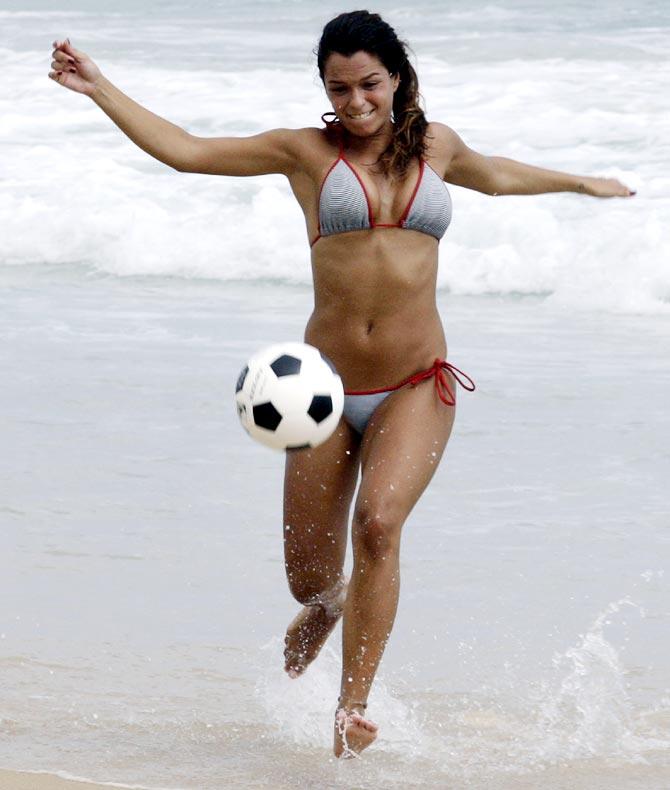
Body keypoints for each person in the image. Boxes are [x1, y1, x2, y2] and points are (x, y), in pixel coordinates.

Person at [49, 10, 634, 759]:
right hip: (319, 393)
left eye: (369, 85)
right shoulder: (303, 152)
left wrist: (582, 182)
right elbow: (189, 153)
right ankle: (329, 606)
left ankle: (349, 710)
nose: (355, 102)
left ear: (397, 78)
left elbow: (497, 175)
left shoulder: (438, 146)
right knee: (309, 579)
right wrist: (100, 87)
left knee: (380, 527)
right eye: (339, 88)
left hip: (416, 382)